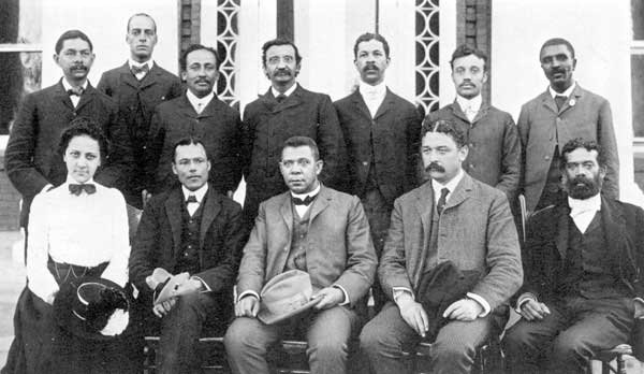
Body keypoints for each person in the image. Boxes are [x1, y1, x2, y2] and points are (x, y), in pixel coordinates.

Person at [360, 119, 523, 374]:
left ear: (463, 153)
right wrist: (405, 300)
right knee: (374, 338)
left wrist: (477, 303)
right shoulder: (407, 203)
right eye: (427, 151)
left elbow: (509, 266)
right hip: (418, 299)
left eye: (442, 150)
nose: (433, 158)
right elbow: (391, 261)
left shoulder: (492, 200)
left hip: (471, 303)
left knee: (452, 349)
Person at [224, 136, 377, 374]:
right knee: (239, 338)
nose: (295, 170)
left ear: (318, 167)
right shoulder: (269, 208)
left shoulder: (348, 205)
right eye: (288, 164)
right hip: (275, 304)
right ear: (281, 168)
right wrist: (249, 293)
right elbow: (253, 256)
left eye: (303, 163)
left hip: (328, 305)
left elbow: (364, 261)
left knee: (328, 347)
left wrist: (338, 292)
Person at [2, 118, 133, 374]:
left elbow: (121, 255)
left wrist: (103, 295)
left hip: (102, 287)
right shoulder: (45, 201)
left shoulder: (113, 199)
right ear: (64, 156)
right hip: (53, 289)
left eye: (90, 156)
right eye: (75, 154)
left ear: (100, 160)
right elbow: (36, 262)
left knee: (106, 337)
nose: (82, 163)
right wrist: (57, 297)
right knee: (51, 340)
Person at [502, 138, 644, 374]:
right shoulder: (543, 221)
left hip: (609, 308)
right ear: (564, 174)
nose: (580, 172)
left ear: (602, 171)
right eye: (573, 166)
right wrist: (527, 298)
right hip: (558, 305)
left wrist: (640, 301)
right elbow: (527, 270)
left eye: (588, 165)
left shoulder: (632, 216)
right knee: (517, 339)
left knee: (569, 347)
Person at [130, 138, 247, 374]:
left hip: (210, 303)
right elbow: (138, 262)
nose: (192, 168)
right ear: (174, 168)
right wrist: (161, 290)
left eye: (198, 161)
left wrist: (189, 286)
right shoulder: (156, 206)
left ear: (209, 165)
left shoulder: (231, 210)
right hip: (158, 304)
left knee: (187, 300)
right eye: (184, 162)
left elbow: (230, 265)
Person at [4, 29, 131, 238]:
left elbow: (123, 162)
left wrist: (94, 190)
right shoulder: (35, 103)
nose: (78, 60)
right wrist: (48, 193)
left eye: (84, 53)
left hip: (95, 213)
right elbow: (16, 160)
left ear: (93, 58)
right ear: (56, 59)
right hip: (44, 212)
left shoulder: (110, 107)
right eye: (71, 53)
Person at [334, 33, 422, 312]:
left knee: (390, 271)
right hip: (352, 206)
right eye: (364, 54)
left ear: (388, 60)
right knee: (353, 273)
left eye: (376, 54)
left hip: (391, 208)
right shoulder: (339, 109)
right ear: (355, 62)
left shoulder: (407, 111)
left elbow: (414, 163)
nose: (370, 60)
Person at [241, 38, 346, 230]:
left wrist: (313, 196)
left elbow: (333, 156)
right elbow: (247, 164)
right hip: (263, 205)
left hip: (307, 204)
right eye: (274, 60)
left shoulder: (318, 104)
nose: (281, 65)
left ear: (298, 66)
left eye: (288, 59)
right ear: (265, 69)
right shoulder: (252, 110)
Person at [518, 37, 619, 213]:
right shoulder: (529, 110)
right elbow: (519, 164)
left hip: (585, 202)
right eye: (547, 60)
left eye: (562, 58)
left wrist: (611, 209)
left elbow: (609, 162)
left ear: (574, 63)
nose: (555, 64)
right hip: (540, 206)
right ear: (542, 67)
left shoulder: (597, 105)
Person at [97, 13, 182, 209]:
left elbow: (175, 134)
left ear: (156, 39)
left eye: (148, 33)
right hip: (117, 180)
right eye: (136, 32)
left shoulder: (171, 82)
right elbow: (99, 132)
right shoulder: (109, 80)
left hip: (158, 180)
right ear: (127, 38)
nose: (142, 38)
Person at [424, 44, 520, 203]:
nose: (467, 77)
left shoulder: (503, 120)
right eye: (460, 71)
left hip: (491, 212)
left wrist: (492, 203)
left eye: (474, 70)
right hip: (446, 208)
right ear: (452, 76)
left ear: (485, 76)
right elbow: (425, 168)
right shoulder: (434, 119)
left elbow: (513, 172)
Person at [145, 44, 242, 199]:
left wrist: (228, 188)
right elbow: (152, 157)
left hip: (214, 202)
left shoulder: (230, 116)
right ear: (184, 74)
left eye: (209, 68)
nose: (202, 74)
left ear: (217, 75)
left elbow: (236, 163)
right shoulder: (164, 112)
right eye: (195, 68)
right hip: (169, 200)